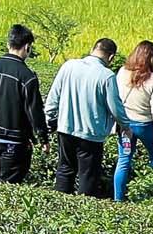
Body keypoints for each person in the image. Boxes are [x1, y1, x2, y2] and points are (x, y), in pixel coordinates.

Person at [45, 37, 125, 198]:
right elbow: (115, 108)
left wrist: (49, 118)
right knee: (88, 176)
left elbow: (53, 97)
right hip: (91, 134)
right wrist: (126, 125)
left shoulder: (69, 66)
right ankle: (83, 211)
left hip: (65, 128)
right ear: (111, 57)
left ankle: (57, 205)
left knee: (64, 169)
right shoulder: (107, 76)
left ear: (92, 49)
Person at [0, 24, 46, 183]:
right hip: (14, 141)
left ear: (8, 44)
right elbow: (35, 111)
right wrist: (43, 139)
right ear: (27, 47)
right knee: (10, 187)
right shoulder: (27, 76)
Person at [114, 40, 153, 201]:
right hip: (144, 125)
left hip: (125, 125)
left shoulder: (122, 71)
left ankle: (118, 199)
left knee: (124, 160)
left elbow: (116, 97)